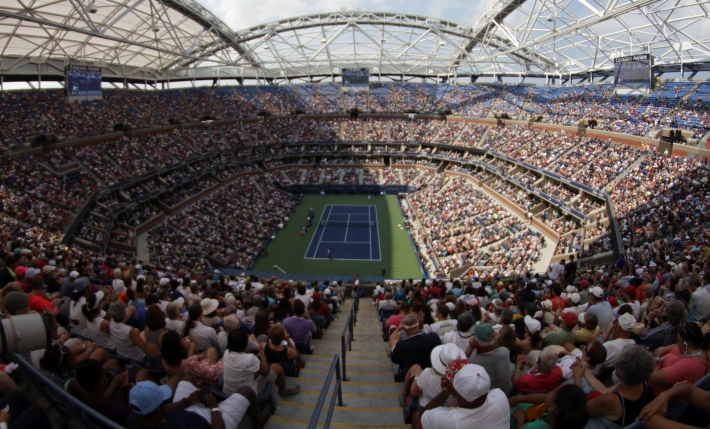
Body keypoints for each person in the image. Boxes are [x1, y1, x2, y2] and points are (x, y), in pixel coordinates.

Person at [127, 376, 264, 429]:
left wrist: (186, 402)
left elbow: (162, 410)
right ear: (157, 411)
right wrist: (214, 407)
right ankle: (258, 422)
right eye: (162, 402)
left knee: (186, 376)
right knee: (247, 391)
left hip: (184, 411)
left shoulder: (136, 416)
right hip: (211, 421)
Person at [575, 346, 656, 428]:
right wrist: (584, 369)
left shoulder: (611, 400)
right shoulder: (641, 383)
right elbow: (604, 390)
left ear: (620, 373)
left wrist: (577, 379)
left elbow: (579, 408)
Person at [412, 363, 509, 429]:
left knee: (416, 416)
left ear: (457, 396)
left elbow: (422, 417)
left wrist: (446, 391)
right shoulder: (500, 398)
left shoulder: (443, 419)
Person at [222, 329, 300, 398]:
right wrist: (263, 357)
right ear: (245, 345)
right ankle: (284, 390)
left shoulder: (226, 353)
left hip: (227, 394)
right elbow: (265, 371)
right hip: (248, 396)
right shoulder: (249, 359)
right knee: (277, 367)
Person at [74, 358, 144, 425]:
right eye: (105, 376)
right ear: (101, 384)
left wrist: (122, 390)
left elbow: (111, 403)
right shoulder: (123, 411)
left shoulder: (87, 399)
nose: (107, 378)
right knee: (143, 373)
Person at [648, 322, 709, 395]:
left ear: (687, 344)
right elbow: (673, 347)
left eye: (679, 341)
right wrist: (664, 349)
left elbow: (656, 377)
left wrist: (650, 359)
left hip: (652, 388)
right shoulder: (694, 349)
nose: (677, 343)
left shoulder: (687, 365)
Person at [403, 343, 465, 407]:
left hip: (425, 407)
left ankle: (405, 396)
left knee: (414, 368)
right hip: (448, 410)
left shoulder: (427, 373)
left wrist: (418, 376)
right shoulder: (462, 379)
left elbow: (414, 393)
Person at [510, 383, 589, 429]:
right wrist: (517, 398)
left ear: (553, 406)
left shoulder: (531, 427)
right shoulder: (558, 417)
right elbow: (544, 398)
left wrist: (520, 422)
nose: (549, 395)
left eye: (553, 393)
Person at [467, 323, 511, 395]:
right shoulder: (505, 351)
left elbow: (460, 363)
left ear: (476, 341)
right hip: (506, 394)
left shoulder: (471, 361)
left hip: (489, 398)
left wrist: (470, 348)